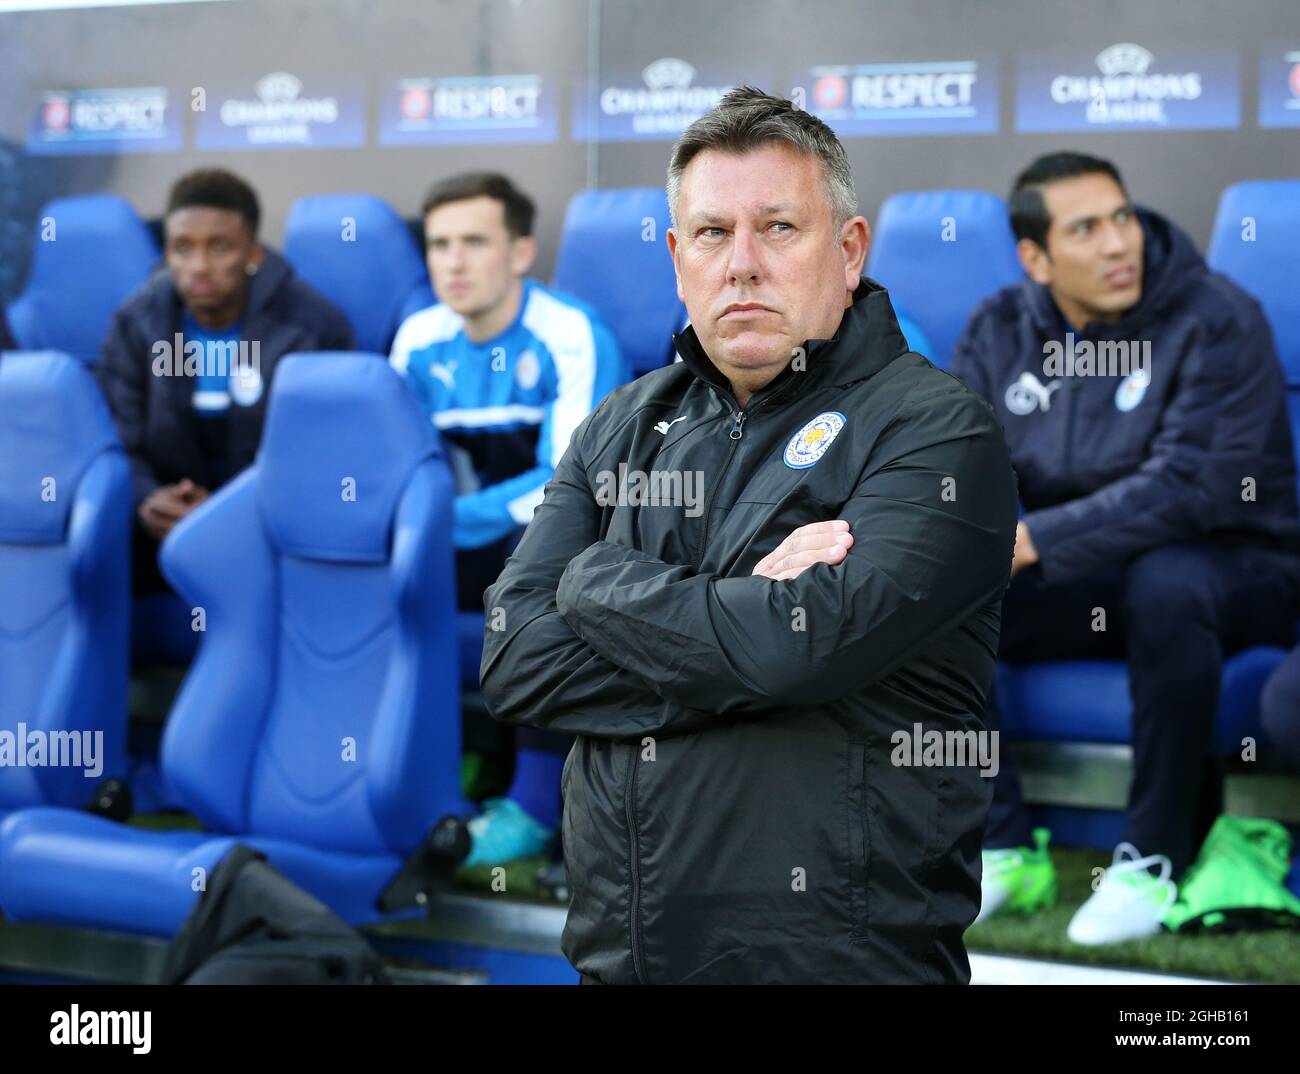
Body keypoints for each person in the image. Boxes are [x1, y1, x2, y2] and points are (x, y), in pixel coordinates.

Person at [480, 87, 1018, 984]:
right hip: (624, 955)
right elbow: (514, 660)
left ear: (849, 252)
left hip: (839, 962)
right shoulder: (621, 422)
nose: (742, 265)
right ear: (677, 259)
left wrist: (594, 581)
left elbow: (795, 653)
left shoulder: (936, 430)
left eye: (777, 228)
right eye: (711, 234)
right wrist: (742, 631)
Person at [949, 152, 1300, 944]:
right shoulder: (999, 328)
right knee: (943, 583)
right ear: (1035, 258)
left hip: (1238, 573)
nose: (1117, 244)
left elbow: (1189, 487)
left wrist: (1034, 538)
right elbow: (958, 462)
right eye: (1085, 229)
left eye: (1122, 217)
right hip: (1083, 575)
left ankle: (1150, 858)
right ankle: (1000, 844)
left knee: (1167, 579)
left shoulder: (1216, 317)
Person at [389, 172, 627, 868]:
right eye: (438, 245)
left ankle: (529, 806)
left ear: (521, 253)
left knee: (545, 563)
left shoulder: (571, 333)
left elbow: (573, 486)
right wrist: (432, 525)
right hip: (458, 540)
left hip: (552, 540)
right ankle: (427, 777)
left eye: (473, 242)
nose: (453, 263)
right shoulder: (416, 340)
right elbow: (399, 472)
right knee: (380, 558)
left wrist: (447, 519)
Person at [97, 168, 354, 665]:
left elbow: (324, 463)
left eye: (219, 248)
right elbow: (112, 442)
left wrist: (227, 516)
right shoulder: (137, 323)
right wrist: (147, 498)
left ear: (253, 254)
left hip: (270, 537)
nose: (198, 266)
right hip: (162, 533)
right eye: (182, 248)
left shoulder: (312, 326)